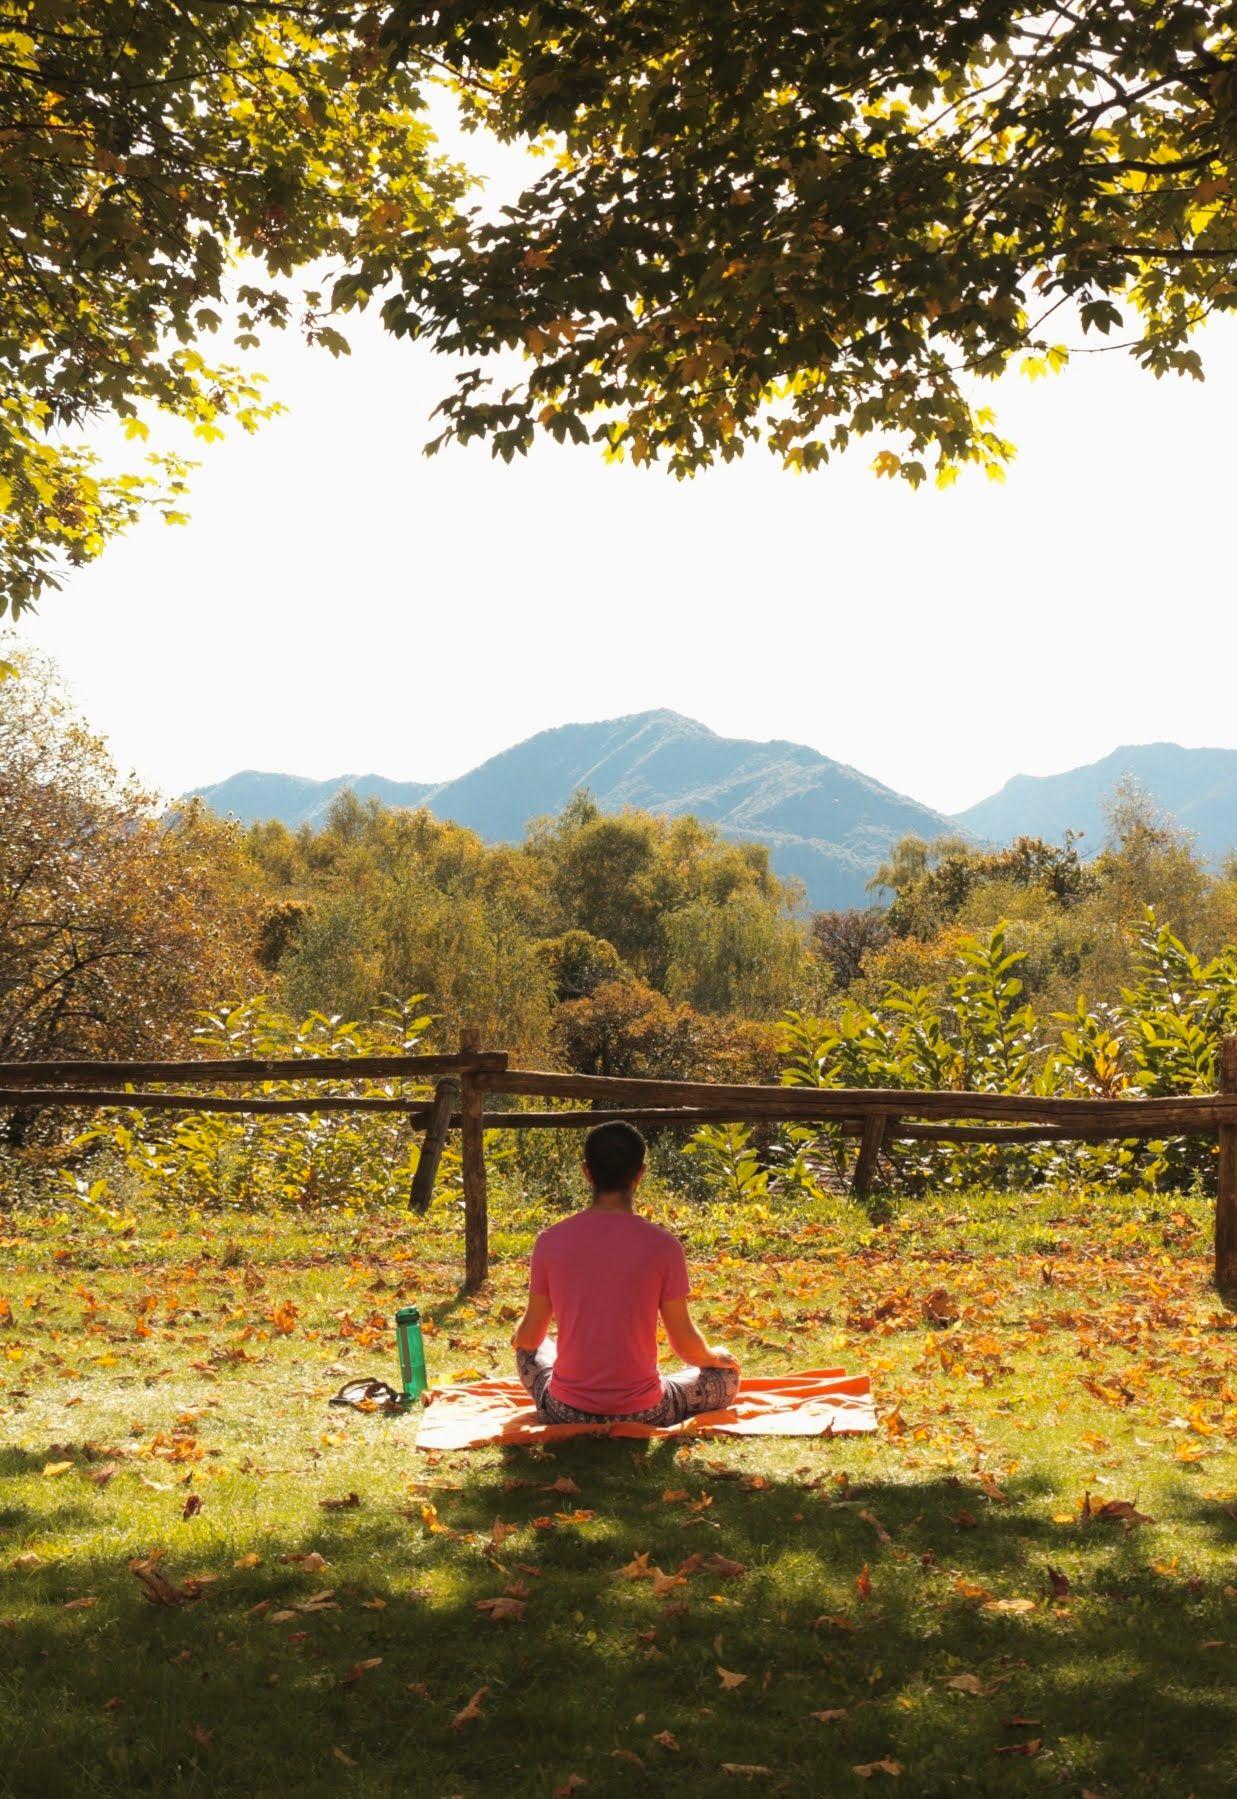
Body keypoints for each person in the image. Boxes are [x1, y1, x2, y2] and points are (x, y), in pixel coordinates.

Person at [511, 1119, 741, 1426]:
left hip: (564, 1411)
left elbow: (530, 1336)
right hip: (646, 1413)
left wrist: (518, 1335)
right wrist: (715, 1357)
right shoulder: (665, 1246)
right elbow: (686, 1345)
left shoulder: (550, 1241)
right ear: (640, 1173)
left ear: (586, 1172)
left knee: (531, 1350)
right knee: (726, 1378)